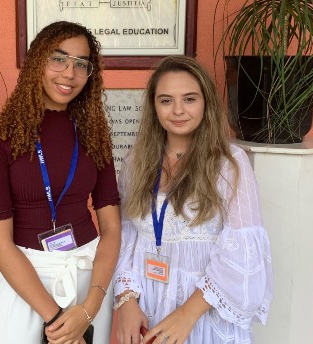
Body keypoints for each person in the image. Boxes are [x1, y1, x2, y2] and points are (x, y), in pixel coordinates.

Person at [0, 21, 121, 344]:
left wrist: (90, 308)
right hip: (26, 285)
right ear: (37, 62)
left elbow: (112, 229)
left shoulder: (95, 136)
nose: (69, 73)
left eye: (81, 64)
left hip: (89, 282)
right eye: (59, 59)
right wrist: (57, 322)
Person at [112, 56, 273, 344]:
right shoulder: (136, 162)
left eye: (189, 99)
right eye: (165, 100)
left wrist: (188, 314)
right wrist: (126, 299)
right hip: (147, 309)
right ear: (153, 107)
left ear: (206, 102)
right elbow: (127, 235)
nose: (177, 110)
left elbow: (243, 254)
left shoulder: (229, 163)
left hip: (203, 316)